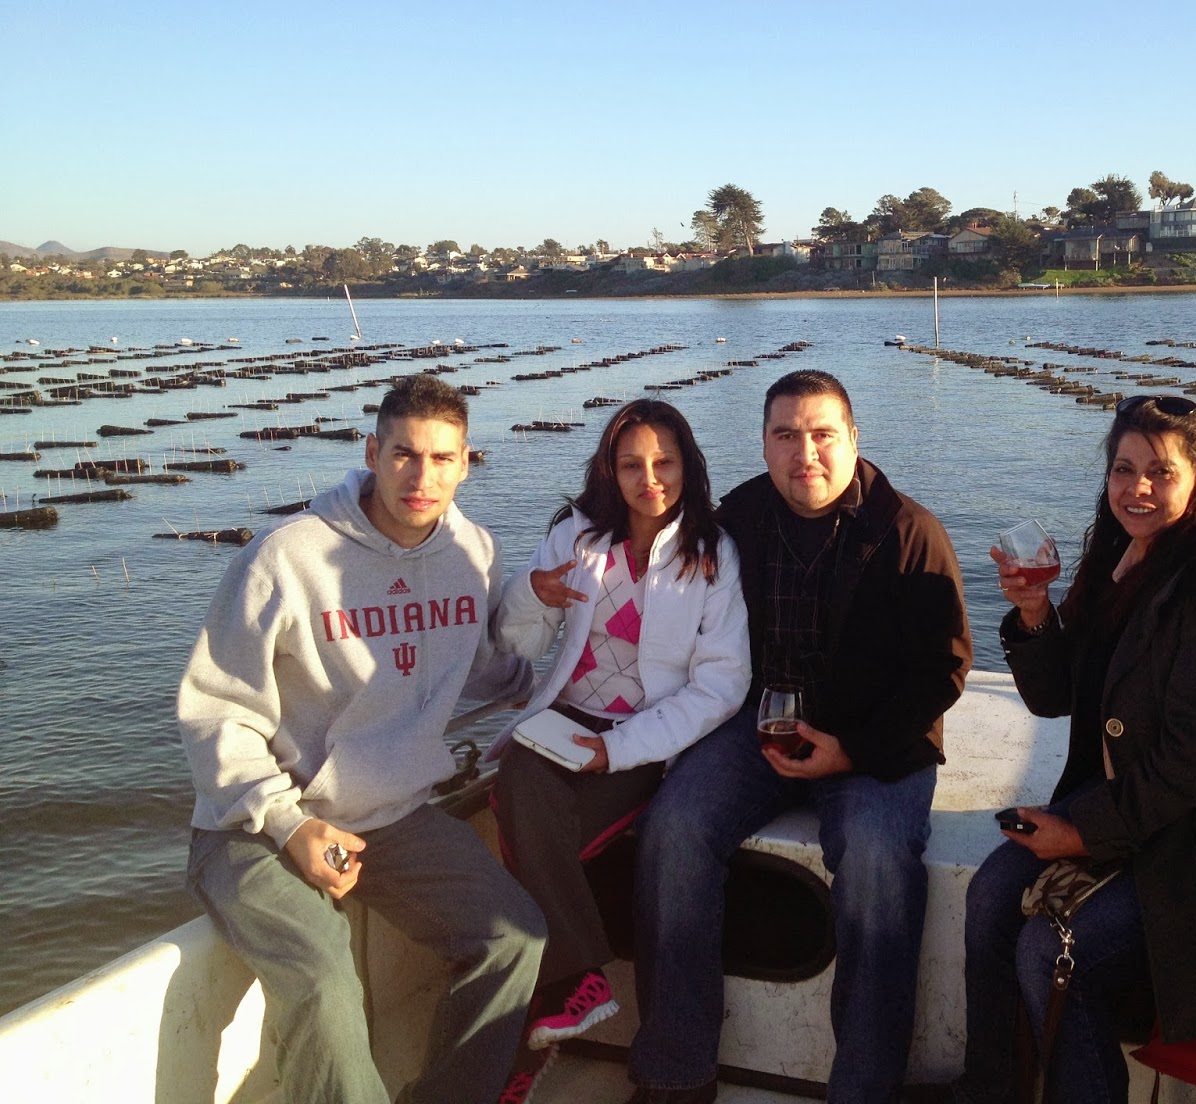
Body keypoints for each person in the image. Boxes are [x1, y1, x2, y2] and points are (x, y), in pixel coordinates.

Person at [177, 374, 545, 1104]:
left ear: (467, 462)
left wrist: (586, 674)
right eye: (404, 454)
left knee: (515, 938)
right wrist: (290, 823)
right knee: (321, 979)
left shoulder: (471, 552)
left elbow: (485, 669)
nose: (422, 476)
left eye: (443, 459)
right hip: (254, 823)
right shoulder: (284, 559)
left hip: (390, 815)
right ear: (372, 451)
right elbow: (215, 711)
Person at [959, 394, 1196, 1104]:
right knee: (989, 894)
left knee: (1052, 953)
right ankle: (990, 1088)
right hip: (1145, 822)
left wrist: (1081, 828)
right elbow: (1060, 698)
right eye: (1124, 470)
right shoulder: (1121, 561)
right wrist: (1035, 617)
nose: (1138, 489)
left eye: (1161, 472)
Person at [626, 369, 972, 1104]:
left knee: (878, 863)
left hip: (873, 745)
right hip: (757, 731)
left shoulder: (909, 532)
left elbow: (941, 673)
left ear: (853, 438)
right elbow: (664, 591)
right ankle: (675, 1074)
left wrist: (852, 749)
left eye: (822, 434)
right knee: (674, 830)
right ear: (764, 442)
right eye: (786, 435)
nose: (803, 453)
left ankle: (864, 1089)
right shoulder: (738, 520)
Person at [489, 399, 750, 1048]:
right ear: (609, 470)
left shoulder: (712, 551)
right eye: (631, 464)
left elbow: (722, 685)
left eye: (664, 461)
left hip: (650, 734)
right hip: (563, 720)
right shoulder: (575, 535)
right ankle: (576, 979)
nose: (650, 478)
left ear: (688, 463)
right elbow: (517, 647)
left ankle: (549, 996)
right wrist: (529, 595)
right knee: (519, 775)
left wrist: (617, 750)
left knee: (529, 842)